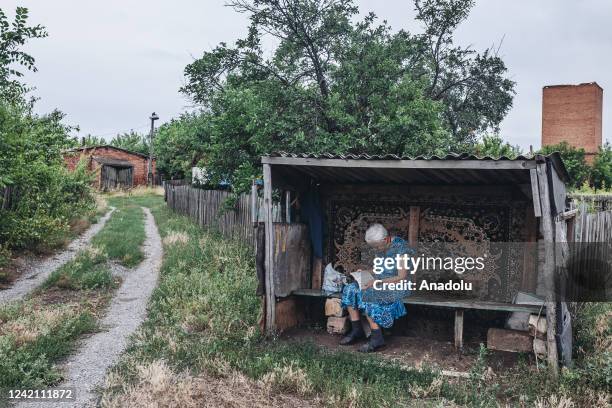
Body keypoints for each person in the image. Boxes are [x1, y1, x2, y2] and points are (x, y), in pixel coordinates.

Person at [339, 223, 413, 352]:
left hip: (398, 284)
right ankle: (357, 331)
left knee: (369, 294)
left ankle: (377, 338)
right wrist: (366, 272)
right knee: (350, 289)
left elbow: (402, 276)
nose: (376, 250)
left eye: (376, 247)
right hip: (380, 281)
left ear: (385, 240)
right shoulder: (382, 246)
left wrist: (378, 283)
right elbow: (379, 269)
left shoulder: (401, 249)